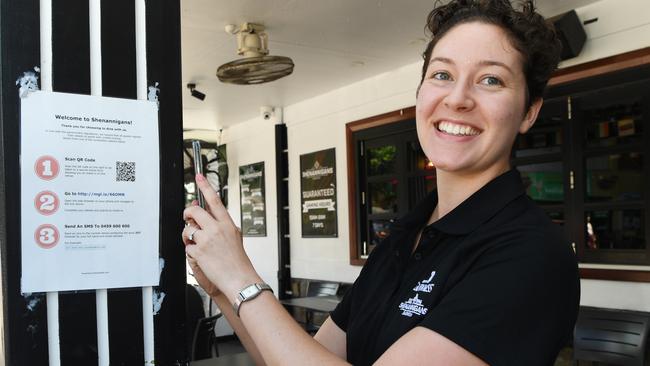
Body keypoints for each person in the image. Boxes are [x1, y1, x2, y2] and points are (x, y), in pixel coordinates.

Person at [181, 0, 580, 364]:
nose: (457, 98)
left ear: (529, 111)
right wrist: (223, 288)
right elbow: (299, 357)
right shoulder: (404, 240)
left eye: (491, 80)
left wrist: (240, 276)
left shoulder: (532, 255)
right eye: (442, 74)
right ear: (421, 92)